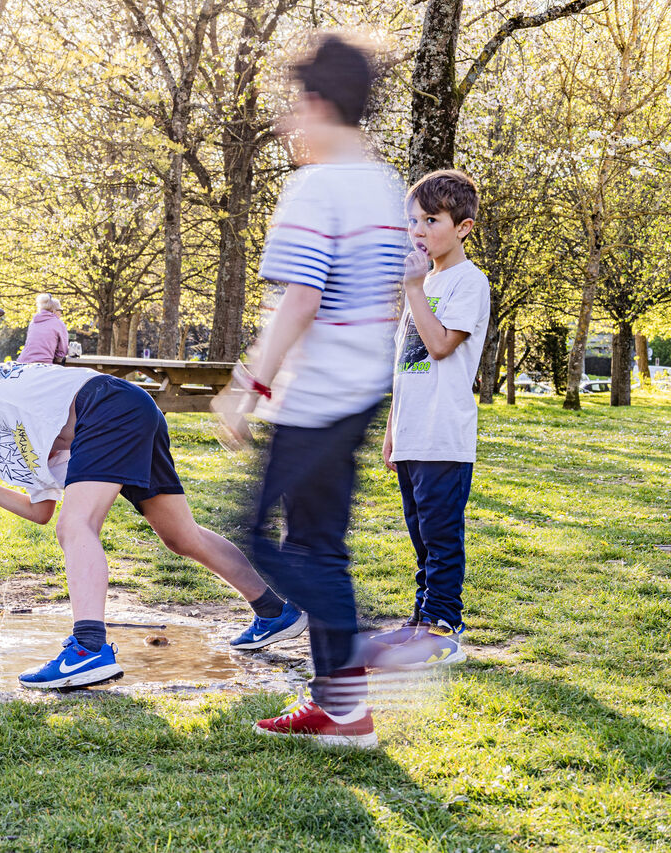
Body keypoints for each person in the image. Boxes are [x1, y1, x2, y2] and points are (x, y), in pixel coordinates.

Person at [212, 34, 406, 748]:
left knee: (258, 533)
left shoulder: (316, 187)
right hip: (360, 393)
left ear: (321, 103)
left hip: (317, 396)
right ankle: (344, 710)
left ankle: (364, 647)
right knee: (320, 547)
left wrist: (248, 384)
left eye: (296, 104)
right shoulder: (385, 186)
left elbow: (301, 296)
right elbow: (391, 292)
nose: (289, 121)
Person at [0, 360, 305, 689]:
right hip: (128, 411)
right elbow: (40, 510)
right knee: (181, 536)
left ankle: (87, 648)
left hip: (104, 403)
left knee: (76, 526)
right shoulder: (13, 441)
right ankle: (274, 611)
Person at [373, 169, 489, 667]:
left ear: (462, 227)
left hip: (444, 435)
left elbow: (440, 346)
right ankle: (422, 621)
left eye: (431, 220)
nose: (418, 231)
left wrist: (415, 290)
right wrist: (392, 430)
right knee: (421, 536)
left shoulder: (468, 281)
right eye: (412, 221)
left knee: (442, 536)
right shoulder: (426, 282)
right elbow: (406, 365)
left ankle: (444, 626)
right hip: (414, 434)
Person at [17, 294, 70, 364]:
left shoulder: (33, 322)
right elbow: (62, 352)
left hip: (22, 361)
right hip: (42, 363)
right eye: (60, 310)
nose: (61, 314)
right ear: (54, 311)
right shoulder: (59, 324)